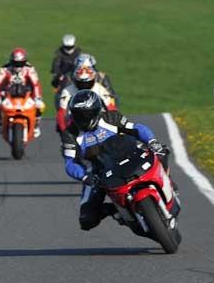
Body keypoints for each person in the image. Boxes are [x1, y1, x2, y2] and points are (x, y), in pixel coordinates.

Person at [60, 89, 167, 231]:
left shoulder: (111, 117)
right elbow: (70, 163)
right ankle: (115, 211)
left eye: (86, 115)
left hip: (130, 154)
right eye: (78, 115)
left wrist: (152, 142)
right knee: (87, 220)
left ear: (96, 111)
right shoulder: (70, 134)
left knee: (163, 153)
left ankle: (167, 182)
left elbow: (136, 128)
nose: (83, 119)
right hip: (99, 172)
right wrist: (85, 176)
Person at [0, 47, 45, 138]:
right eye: (16, 63)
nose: (18, 66)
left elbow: (35, 84)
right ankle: (1, 123)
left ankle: (35, 125)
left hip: (26, 94)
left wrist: (37, 97)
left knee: (40, 106)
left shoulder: (29, 69)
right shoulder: (4, 69)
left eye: (20, 63)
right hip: (8, 94)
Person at [56, 53, 117, 131]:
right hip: (75, 124)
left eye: (87, 82)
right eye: (81, 83)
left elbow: (112, 108)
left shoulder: (100, 88)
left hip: (97, 124)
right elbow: (61, 112)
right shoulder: (67, 90)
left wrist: (115, 128)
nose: (84, 86)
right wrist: (64, 131)